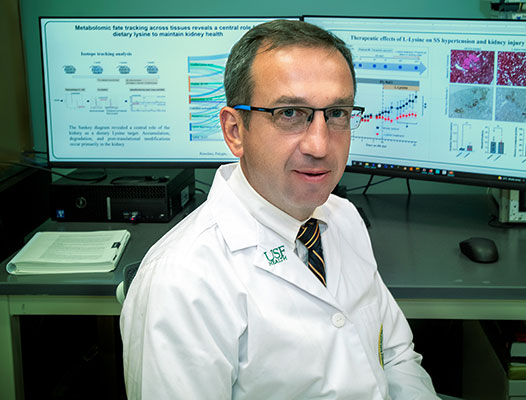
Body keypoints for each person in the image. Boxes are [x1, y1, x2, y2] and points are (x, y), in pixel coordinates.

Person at [120, 19, 439, 399]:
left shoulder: (342, 217)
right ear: (235, 131)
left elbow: (396, 357)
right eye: (290, 113)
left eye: (337, 113)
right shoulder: (183, 282)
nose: (320, 145)